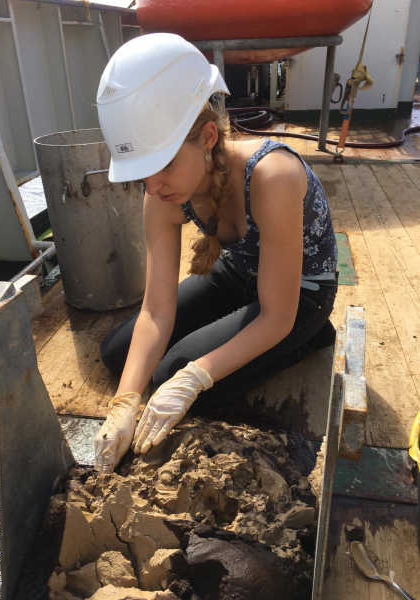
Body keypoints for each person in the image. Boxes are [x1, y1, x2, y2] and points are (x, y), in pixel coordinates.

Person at [94, 33, 338, 474]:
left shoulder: (272, 175)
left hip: (298, 294)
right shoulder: (162, 193)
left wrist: (194, 377)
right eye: (141, 174)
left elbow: (276, 314)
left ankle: (312, 337)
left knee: (175, 373)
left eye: (162, 164)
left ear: (208, 136)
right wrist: (124, 404)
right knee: (118, 355)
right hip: (240, 271)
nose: (152, 187)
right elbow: (156, 311)